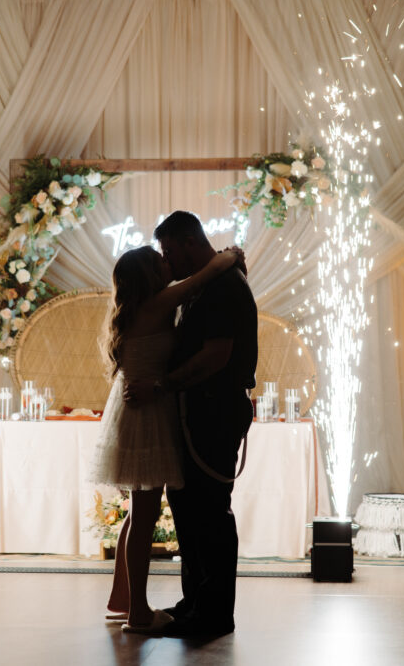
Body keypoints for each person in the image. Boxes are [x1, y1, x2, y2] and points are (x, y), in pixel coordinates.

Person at [92, 243, 243, 634]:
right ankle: (138, 612)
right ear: (149, 276)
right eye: (160, 261)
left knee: (138, 512)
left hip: (139, 413)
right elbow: (206, 276)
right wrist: (229, 255)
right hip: (149, 416)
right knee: (144, 516)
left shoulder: (138, 309)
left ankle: (123, 599)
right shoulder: (157, 304)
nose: (168, 261)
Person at [126, 210, 258, 637]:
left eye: (169, 251)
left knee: (211, 514)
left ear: (188, 242)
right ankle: (195, 603)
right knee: (190, 514)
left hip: (214, 411)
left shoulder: (222, 287)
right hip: (195, 413)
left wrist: (163, 386)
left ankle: (214, 614)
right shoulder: (205, 285)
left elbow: (215, 356)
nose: (168, 262)